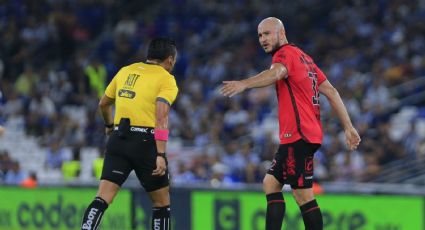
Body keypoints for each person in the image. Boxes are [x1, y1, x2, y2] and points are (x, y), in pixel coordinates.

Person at [220, 17, 361, 230]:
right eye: (259, 35)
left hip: (299, 135)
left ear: (281, 32)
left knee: (303, 195)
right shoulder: (305, 58)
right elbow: (331, 91)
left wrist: (245, 84)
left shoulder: (284, 54)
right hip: (302, 135)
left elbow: (276, 73)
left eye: (267, 33)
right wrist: (348, 126)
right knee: (271, 183)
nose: (262, 39)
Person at [81, 37, 178, 230]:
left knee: (102, 198)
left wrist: (109, 125)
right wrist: (160, 154)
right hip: (146, 143)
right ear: (170, 59)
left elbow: (103, 103)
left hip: (119, 138)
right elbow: (161, 115)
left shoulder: (126, 71)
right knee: (161, 204)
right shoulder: (166, 79)